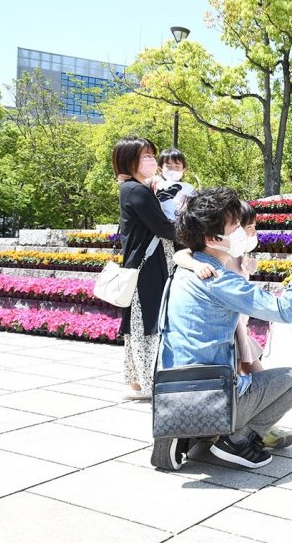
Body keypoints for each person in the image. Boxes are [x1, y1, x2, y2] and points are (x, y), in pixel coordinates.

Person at [152, 186, 292, 469]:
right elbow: (285, 310)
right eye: (236, 227)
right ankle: (235, 441)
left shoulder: (185, 271)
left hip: (173, 387)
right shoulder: (218, 278)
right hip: (211, 391)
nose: (243, 232)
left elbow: (182, 256)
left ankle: (186, 430)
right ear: (212, 238)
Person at [112, 137, 177, 401]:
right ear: (130, 161)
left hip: (147, 265)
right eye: (145, 156)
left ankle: (139, 381)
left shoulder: (136, 188)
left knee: (143, 322)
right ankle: (149, 382)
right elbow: (164, 227)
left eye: (152, 155)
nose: (152, 160)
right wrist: (201, 233)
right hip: (145, 268)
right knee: (146, 323)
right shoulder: (136, 191)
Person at [174, 201, 265, 374]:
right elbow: (180, 255)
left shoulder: (239, 255)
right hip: (230, 328)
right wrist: (195, 265)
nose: (253, 232)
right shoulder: (222, 254)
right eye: (248, 227)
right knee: (239, 371)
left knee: (252, 371)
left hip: (240, 323)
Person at [155, 148, 196, 274]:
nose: (173, 169)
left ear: (184, 169)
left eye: (177, 166)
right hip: (161, 232)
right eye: (168, 166)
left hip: (183, 231)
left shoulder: (189, 188)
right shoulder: (155, 185)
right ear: (160, 169)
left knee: (182, 266)